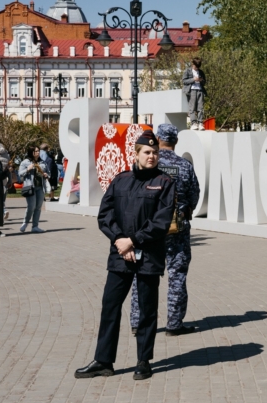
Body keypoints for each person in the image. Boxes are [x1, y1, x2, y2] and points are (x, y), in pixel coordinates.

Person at [74, 130, 176, 381]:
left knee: (147, 309)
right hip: (120, 254)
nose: (152, 156)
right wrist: (120, 241)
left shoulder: (165, 183)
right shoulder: (121, 180)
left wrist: (133, 241)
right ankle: (103, 360)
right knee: (110, 305)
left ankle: (144, 361)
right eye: (147, 152)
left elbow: (161, 222)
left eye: (155, 153)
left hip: (149, 256)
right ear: (136, 154)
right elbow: (105, 215)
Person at [130, 124, 201, 337]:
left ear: (158, 139)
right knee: (177, 275)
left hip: (149, 228)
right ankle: (174, 323)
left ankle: (137, 322)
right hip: (177, 228)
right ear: (176, 141)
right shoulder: (185, 166)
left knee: (141, 274)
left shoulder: (149, 162)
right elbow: (194, 195)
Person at [18, 146, 49, 233]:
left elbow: (48, 172)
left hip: (40, 187)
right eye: (36, 151)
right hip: (30, 187)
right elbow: (20, 174)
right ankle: (25, 223)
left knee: (38, 207)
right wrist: (28, 169)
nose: (38, 152)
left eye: (38, 151)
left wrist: (46, 174)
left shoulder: (42, 162)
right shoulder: (25, 162)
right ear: (31, 152)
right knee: (31, 206)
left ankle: (35, 226)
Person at [182, 57, 207, 131]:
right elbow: (184, 81)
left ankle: (200, 123)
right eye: (196, 66)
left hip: (200, 90)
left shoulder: (201, 72)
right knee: (192, 108)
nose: (196, 68)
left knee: (200, 108)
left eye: (198, 67)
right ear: (193, 64)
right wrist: (193, 79)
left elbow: (204, 82)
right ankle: (193, 123)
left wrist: (201, 80)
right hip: (191, 90)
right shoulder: (187, 71)